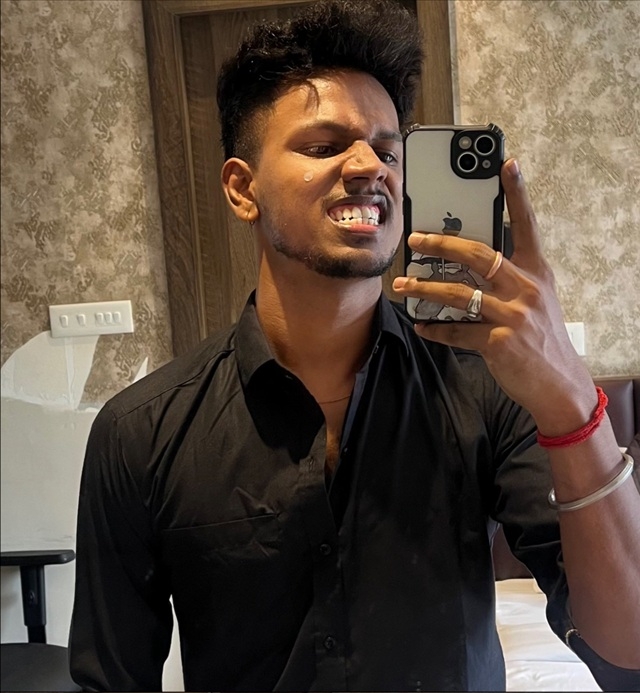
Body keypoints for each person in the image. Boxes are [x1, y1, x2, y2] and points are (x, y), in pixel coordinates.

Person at [69, 1, 640, 690]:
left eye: (389, 149)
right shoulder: (140, 434)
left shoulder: (488, 387)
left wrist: (570, 397)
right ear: (243, 189)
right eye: (323, 145)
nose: (370, 165)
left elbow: (628, 644)